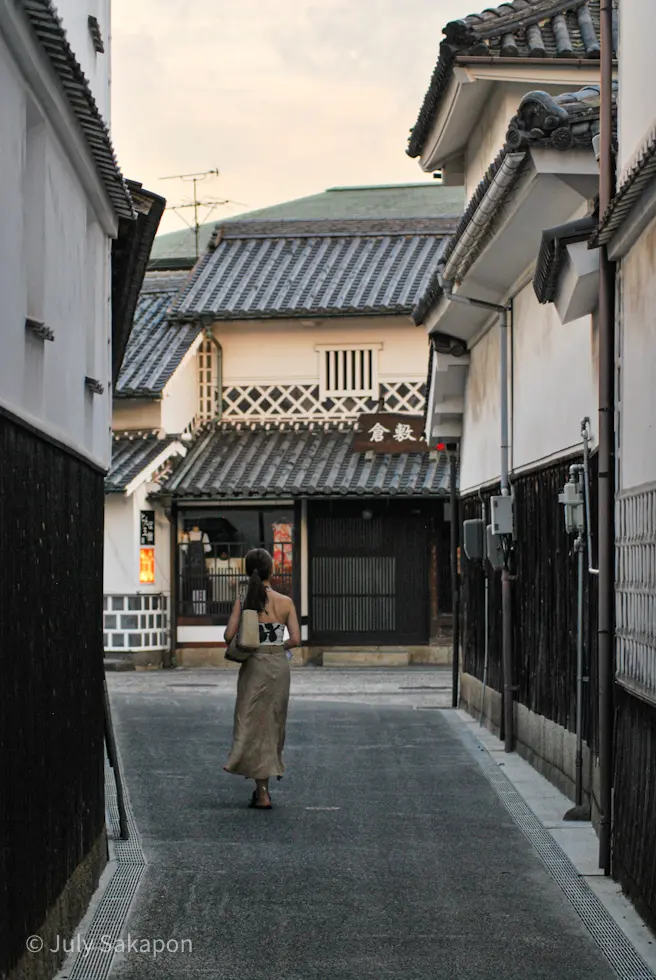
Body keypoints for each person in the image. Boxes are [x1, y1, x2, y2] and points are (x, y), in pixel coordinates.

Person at [222, 547, 300, 809]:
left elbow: (228, 635)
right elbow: (297, 640)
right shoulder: (286, 602)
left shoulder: (244, 599)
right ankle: (265, 785)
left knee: (251, 722)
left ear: (247, 571)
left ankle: (261, 790)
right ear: (272, 570)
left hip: (254, 665)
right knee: (273, 722)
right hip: (278, 666)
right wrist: (276, 647)